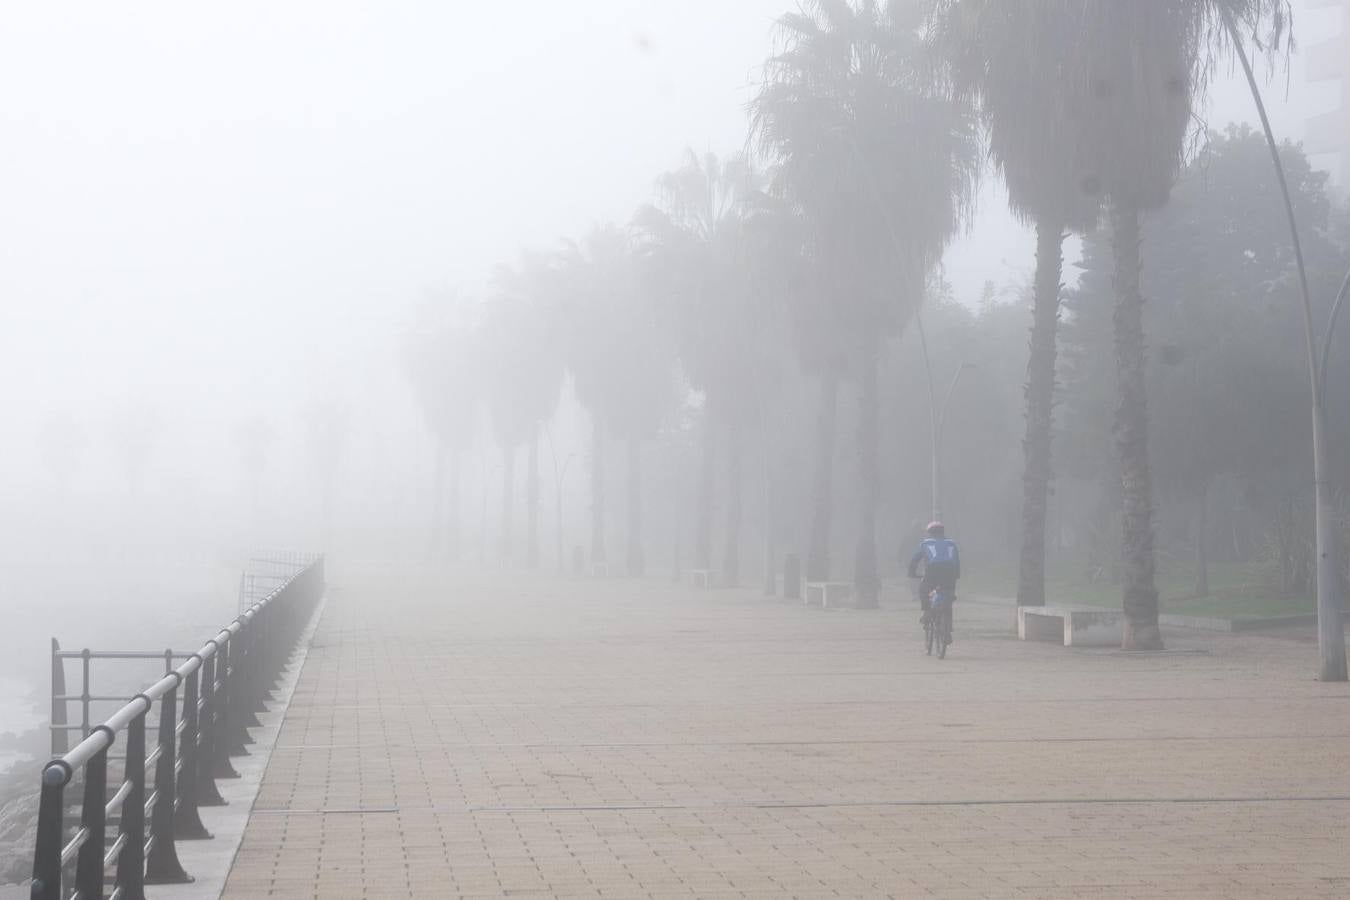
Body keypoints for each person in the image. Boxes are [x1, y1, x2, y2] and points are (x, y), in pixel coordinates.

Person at [906, 521, 961, 628]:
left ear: (929, 533)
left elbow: (915, 560)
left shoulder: (926, 543)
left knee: (924, 589)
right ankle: (948, 629)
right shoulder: (951, 543)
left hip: (933, 570)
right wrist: (956, 575)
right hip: (950, 571)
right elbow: (956, 561)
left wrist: (912, 573)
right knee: (948, 597)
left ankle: (927, 611)